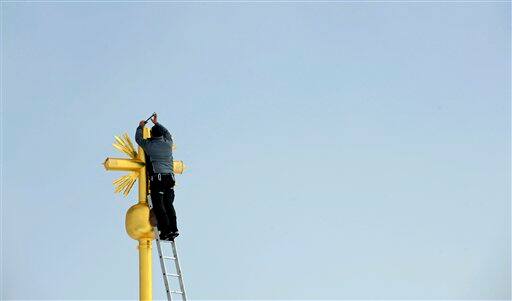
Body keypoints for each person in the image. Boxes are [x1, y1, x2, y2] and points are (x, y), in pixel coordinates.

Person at [135, 113, 179, 241]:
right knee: (169, 205)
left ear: (152, 135)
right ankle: (174, 229)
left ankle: (165, 231)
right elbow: (167, 132)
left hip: (158, 180)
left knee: (159, 206)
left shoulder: (150, 146)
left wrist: (140, 127)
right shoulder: (168, 143)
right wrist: (156, 123)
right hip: (170, 180)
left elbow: (139, 139)